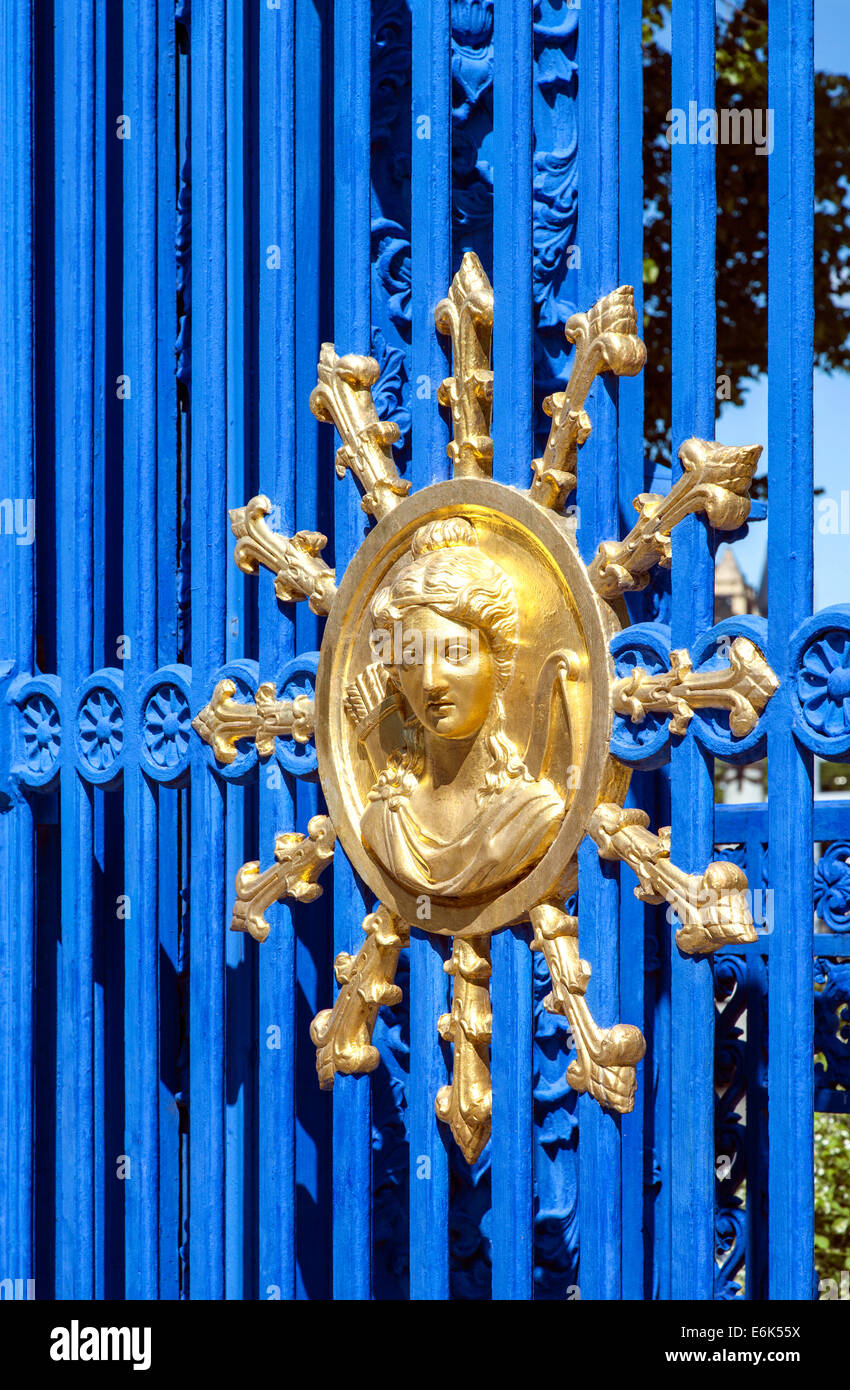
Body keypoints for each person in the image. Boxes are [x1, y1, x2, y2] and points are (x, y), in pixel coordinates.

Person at [360, 516, 564, 897]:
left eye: (456, 653)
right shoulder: (381, 822)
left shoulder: (531, 816)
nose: (431, 681)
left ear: (500, 662)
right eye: (411, 658)